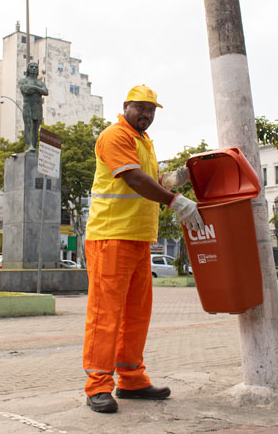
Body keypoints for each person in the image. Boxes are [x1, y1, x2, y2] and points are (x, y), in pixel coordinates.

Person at [83, 85, 204, 413]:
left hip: (138, 239)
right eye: (141, 108)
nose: (147, 115)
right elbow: (134, 179)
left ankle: (132, 379)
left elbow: (150, 178)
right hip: (110, 237)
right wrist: (175, 201)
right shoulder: (115, 136)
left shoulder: (143, 142)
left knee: (136, 315)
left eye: (151, 111)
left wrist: (175, 179)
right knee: (105, 314)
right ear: (126, 106)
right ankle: (97, 385)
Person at [18, 61, 49, 152]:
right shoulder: (24, 81)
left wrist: (34, 88)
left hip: (38, 106)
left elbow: (45, 92)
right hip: (28, 105)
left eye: (36, 67)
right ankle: (30, 145)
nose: (34, 68)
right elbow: (26, 90)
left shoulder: (40, 82)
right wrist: (38, 90)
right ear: (28, 69)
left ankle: (34, 147)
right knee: (29, 125)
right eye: (32, 67)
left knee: (36, 127)